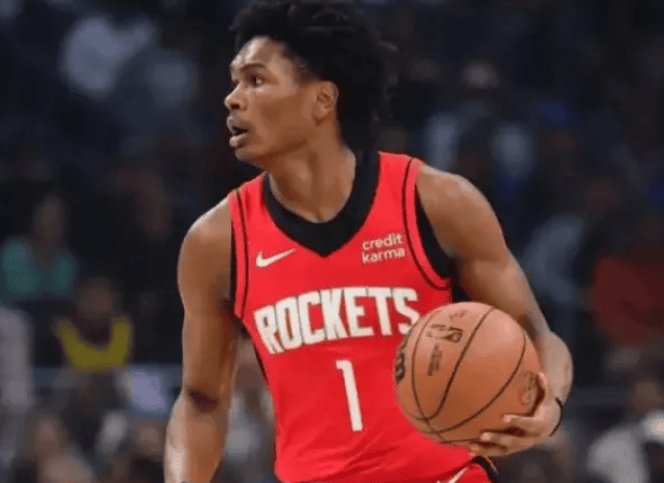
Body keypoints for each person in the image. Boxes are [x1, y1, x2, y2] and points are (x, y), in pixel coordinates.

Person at [164, 1, 573, 482]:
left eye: (255, 80)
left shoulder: (434, 201)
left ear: (322, 100)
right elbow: (201, 400)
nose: (233, 99)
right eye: (234, 82)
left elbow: (536, 336)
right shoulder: (217, 242)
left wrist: (549, 407)